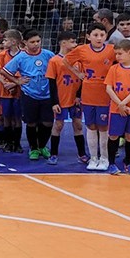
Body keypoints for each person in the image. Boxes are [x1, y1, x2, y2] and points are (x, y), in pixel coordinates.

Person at [64, 24, 115, 170]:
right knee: (91, 126)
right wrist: (79, 74)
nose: (99, 38)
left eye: (102, 35)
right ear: (88, 36)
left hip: (105, 93)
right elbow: (66, 60)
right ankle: (93, 158)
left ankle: (104, 158)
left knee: (103, 126)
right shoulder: (81, 50)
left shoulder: (111, 50)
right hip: (88, 93)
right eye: (95, 35)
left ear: (106, 36)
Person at [1, 30, 56, 160]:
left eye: (38, 41)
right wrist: (17, 81)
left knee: (48, 122)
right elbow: (4, 71)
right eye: (32, 42)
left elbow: (58, 67)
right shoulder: (20, 57)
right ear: (24, 43)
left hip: (47, 94)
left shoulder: (48, 55)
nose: (36, 44)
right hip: (29, 94)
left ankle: (42, 145)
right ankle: (34, 148)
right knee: (31, 123)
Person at [46, 30, 87, 165]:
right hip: (61, 100)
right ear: (63, 43)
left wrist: (79, 96)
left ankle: (82, 154)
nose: (75, 44)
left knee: (78, 125)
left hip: (75, 100)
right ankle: (53, 154)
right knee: (58, 125)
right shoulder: (54, 61)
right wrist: (54, 103)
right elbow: (51, 83)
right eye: (72, 41)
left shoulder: (78, 61)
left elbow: (82, 79)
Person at [104, 40, 130, 174]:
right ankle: (111, 164)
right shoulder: (114, 69)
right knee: (114, 135)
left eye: (120, 54)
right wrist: (119, 104)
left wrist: (124, 103)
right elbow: (109, 88)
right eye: (116, 54)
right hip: (116, 109)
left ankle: (128, 163)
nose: (118, 57)